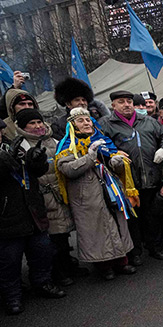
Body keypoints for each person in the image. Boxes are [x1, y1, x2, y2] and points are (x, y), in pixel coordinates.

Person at [55, 108, 137, 280]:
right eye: (81, 121)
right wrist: (90, 157)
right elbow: (67, 169)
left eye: (88, 120)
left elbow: (114, 162)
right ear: (73, 125)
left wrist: (117, 162)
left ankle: (122, 261)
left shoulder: (101, 139)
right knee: (95, 229)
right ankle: (103, 265)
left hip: (109, 190)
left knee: (116, 222)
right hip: (86, 195)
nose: (86, 123)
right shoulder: (66, 145)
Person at [0, 116, 66, 315]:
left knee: (42, 251)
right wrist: (5, 163)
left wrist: (36, 161)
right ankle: (12, 296)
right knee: (9, 261)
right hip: (6, 216)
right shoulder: (7, 153)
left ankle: (43, 283)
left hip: (32, 210)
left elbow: (35, 173)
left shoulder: (14, 146)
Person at [14, 109, 88, 287]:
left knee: (63, 234)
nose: (38, 126)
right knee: (51, 238)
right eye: (32, 123)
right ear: (23, 127)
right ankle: (57, 272)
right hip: (42, 196)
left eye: (39, 122)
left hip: (60, 192)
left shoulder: (55, 140)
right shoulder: (22, 146)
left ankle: (68, 265)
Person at [100, 90, 163, 264]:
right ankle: (135, 252)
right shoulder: (106, 124)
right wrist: (112, 153)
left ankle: (155, 247)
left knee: (152, 215)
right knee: (132, 218)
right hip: (126, 180)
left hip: (150, 176)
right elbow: (100, 145)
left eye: (129, 101)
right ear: (113, 105)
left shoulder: (148, 121)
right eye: (121, 102)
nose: (126, 105)